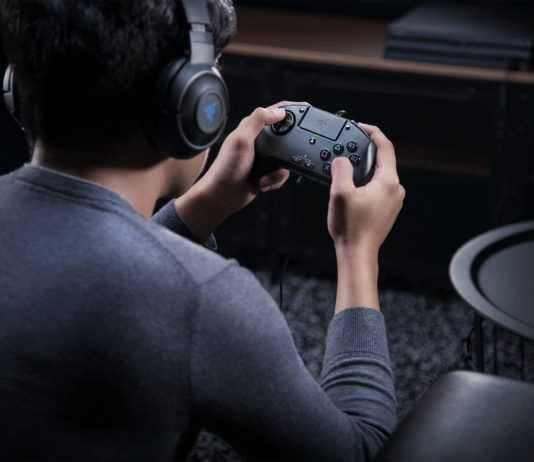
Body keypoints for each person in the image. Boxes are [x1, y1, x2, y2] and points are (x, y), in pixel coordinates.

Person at [0, 0, 405, 461]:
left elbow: (83, 264)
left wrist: (204, 205)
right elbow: (357, 451)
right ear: (194, 103)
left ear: (17, 85)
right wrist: (358, 250)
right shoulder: (201, 297)